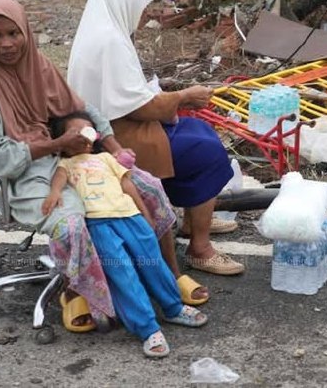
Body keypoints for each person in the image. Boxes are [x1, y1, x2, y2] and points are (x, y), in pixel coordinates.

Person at [0, 0, 183, 334]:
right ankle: (79, 291)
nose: (7, 44)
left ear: (26, 32)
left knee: (146, 186)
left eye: (13, 33)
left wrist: (113, 147)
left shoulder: (37, 64)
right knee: (73, 223)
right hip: (23, 177)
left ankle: (169, 275)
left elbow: (83, 108)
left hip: (68, 158)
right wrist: (55, 145)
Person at [68, 0, 245, 279]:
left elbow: (128, 95)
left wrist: (172, 98)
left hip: (114, 126)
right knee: (206, 152)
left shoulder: (104, 30)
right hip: (115, 139)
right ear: (125, 0)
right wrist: (185, 95)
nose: (144, 12)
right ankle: (199, 249)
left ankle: (194, 219)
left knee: (201, 132)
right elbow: (142, 106)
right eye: (142, 4)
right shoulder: (109, 40)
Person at [43, 112, 207, 358]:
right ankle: (147, 328)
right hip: (99, 224)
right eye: (76, 132)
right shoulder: (65, 164)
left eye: (89, 130)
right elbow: (59, 179)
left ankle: (173, 308)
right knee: (122, 272)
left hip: (130, 216)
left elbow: (128, 185)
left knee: (153, 263)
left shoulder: (107, 158)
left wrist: (146, 216)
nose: (84, 137)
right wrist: (54, 193)